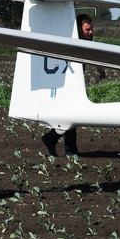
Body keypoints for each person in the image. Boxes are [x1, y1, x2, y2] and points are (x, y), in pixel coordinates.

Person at [41, 13, 104, 156]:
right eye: (87, 29)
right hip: (65, 82)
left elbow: (92, 52)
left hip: (77, 81)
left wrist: (99, 67)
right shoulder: (70, 39)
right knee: (71, 114)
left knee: (72, 114)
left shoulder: (87, 39)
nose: (90, 32)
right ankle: (61, 144)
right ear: (79, 29)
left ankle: (58, 142)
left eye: (91, 29)